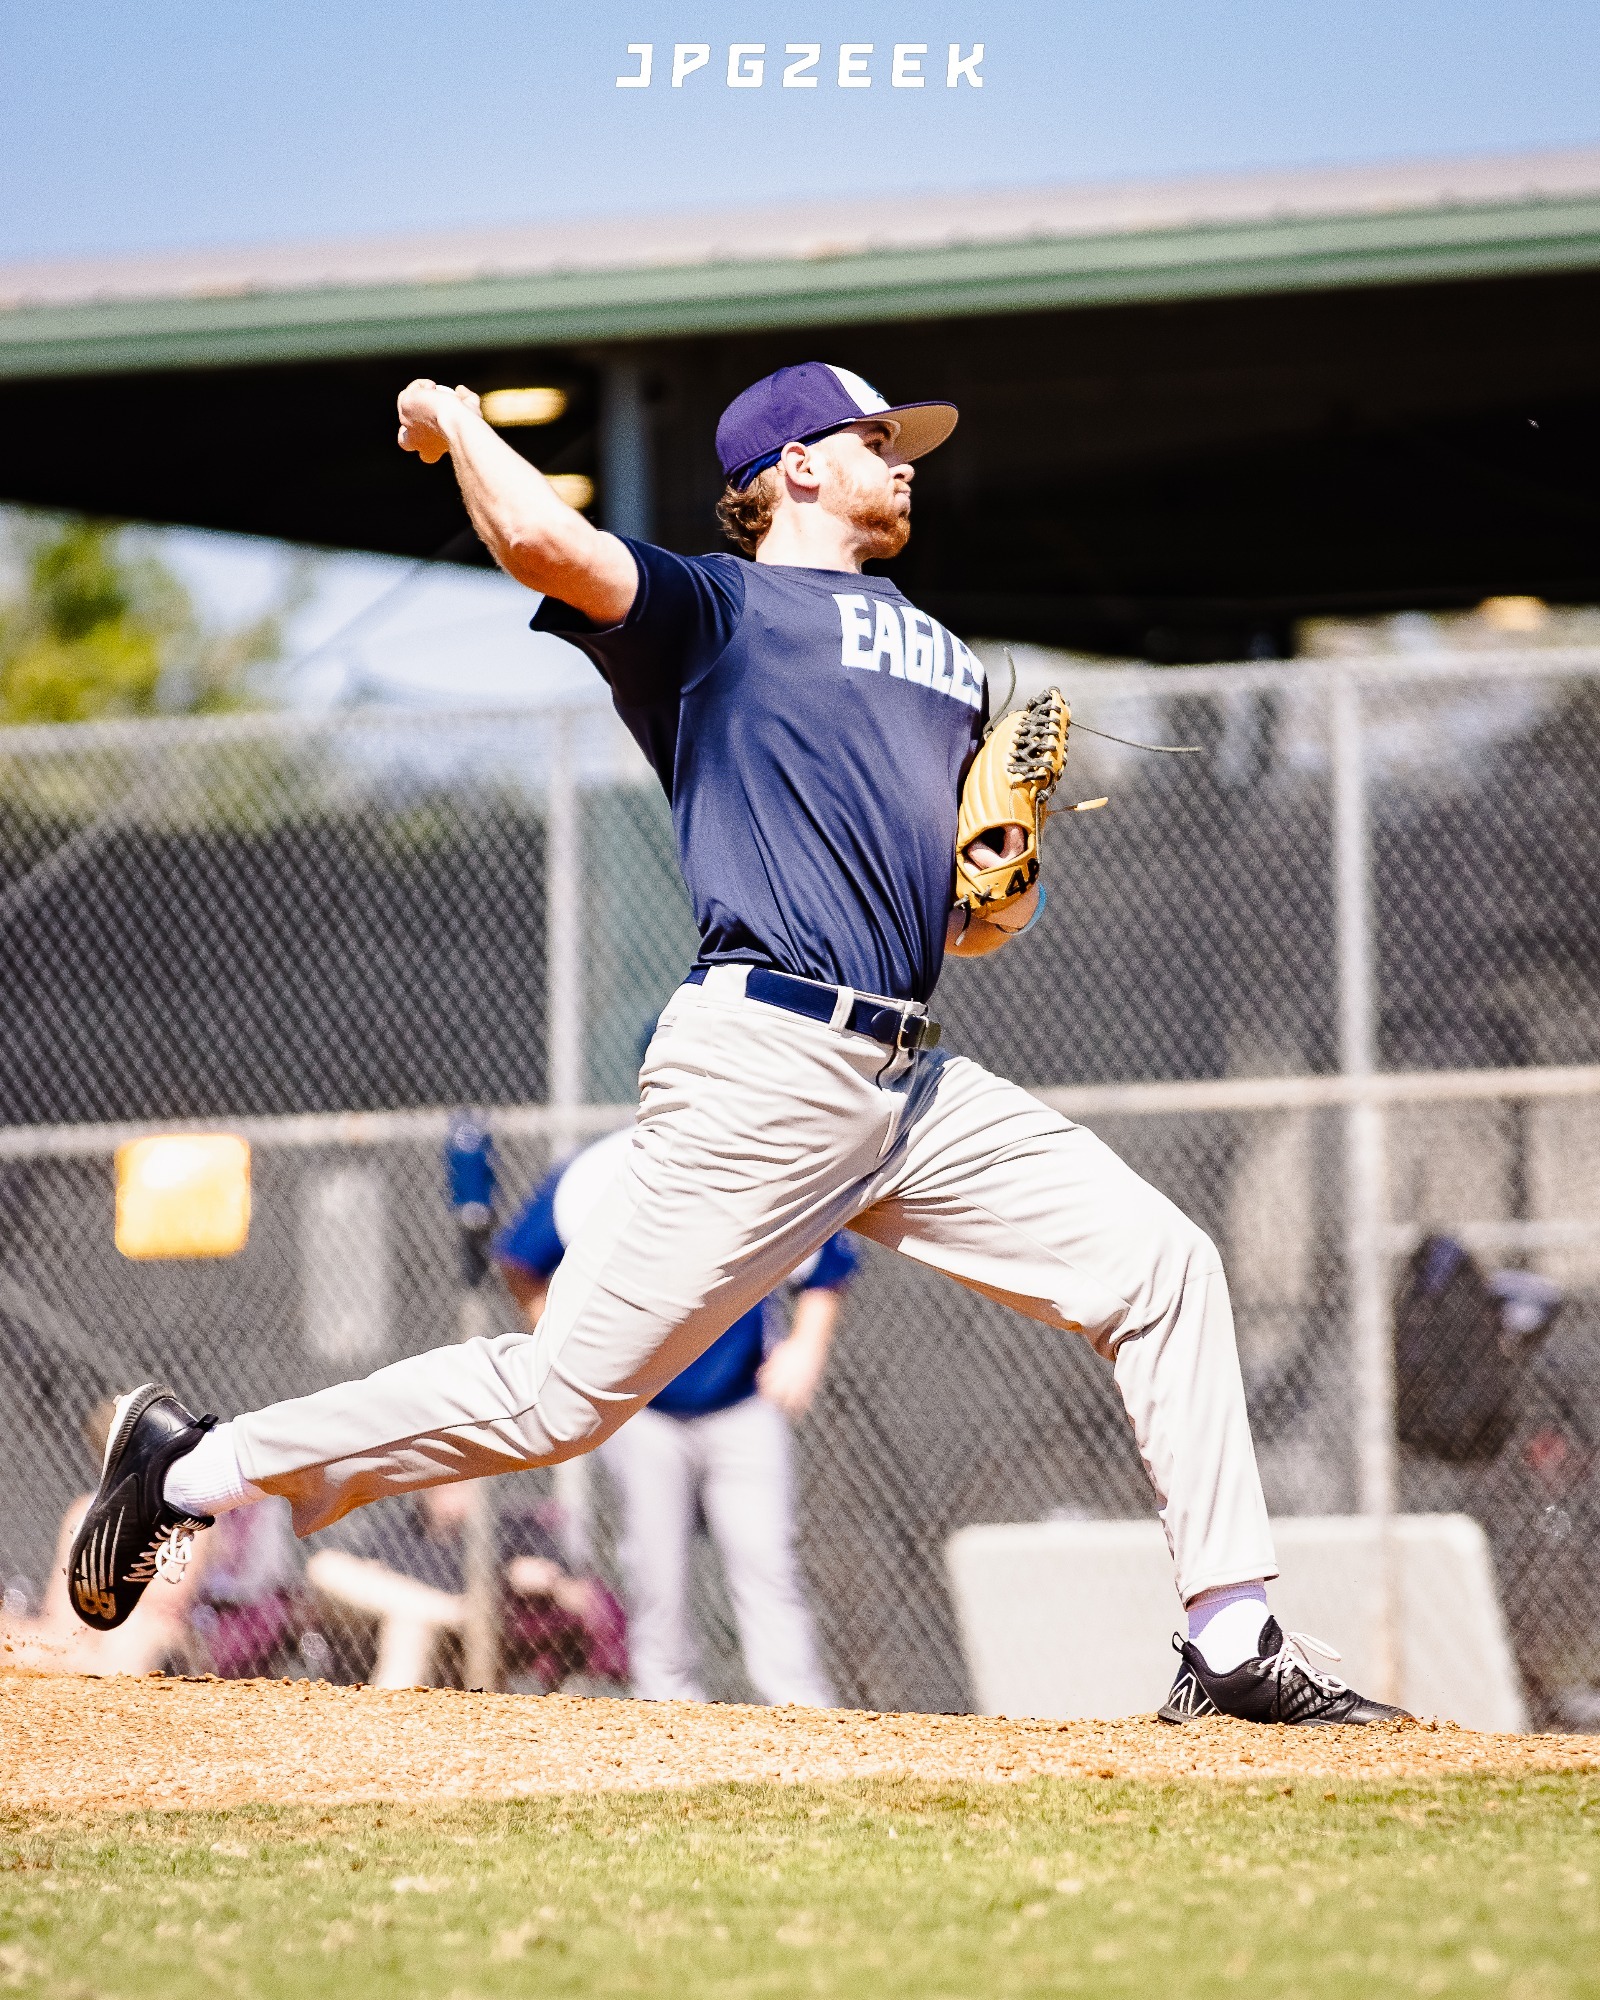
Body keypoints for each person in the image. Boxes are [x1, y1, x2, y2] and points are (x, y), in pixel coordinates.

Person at [69, 359, 1404, 1726]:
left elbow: (969, 920)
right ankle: (193, 1471)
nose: (904, 458)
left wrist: (999, 878)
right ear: (796, 466)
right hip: (768, 1058)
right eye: (874, 437)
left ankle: (1232, 1639)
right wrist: (460, 421)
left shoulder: (941, 653)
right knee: (559, 1403)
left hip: (910, 1080)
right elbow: (546, 546)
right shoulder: (720, 611)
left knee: (1161, 1263)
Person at [496, 1118, 854, 1704]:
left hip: (741, 1403)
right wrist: (563, 1346)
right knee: (655, 1574)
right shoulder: (604, 1167)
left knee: (768, 1564)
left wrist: (807, 1346)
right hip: (640, 1410)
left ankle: (803, 1717)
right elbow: (521, 1258)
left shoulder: (753, 1160)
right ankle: (668, 1714)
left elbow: (827, 1264)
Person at [306, 1482, 626, 1691]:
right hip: (376, 1628)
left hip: (460, 1640)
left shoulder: (508, 1530)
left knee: (412, 1622)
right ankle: (449, 1611)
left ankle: (382, 1724)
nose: (447, 1489)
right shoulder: (401, 1529)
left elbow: (579, 1594)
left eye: (459, 1481)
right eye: (437, 1481)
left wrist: (530, 1579)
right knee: (324, 1566)